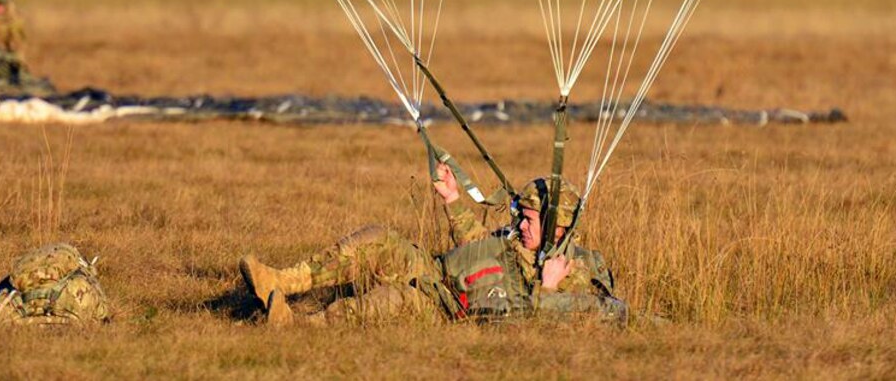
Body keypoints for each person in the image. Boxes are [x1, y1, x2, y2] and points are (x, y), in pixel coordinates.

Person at [238, 163, 626, 325]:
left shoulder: (578, 270)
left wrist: (547, 287)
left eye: (528, 219)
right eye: (519, 215)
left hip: (448, 302)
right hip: (437, 266)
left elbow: (585, 314)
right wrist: (453, 199)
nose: (520, 224)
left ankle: (300, 326)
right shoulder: (515, 240)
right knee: (377, 238)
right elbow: (478, 246)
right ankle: (282, 281)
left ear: (558, 228)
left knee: (388, 302)